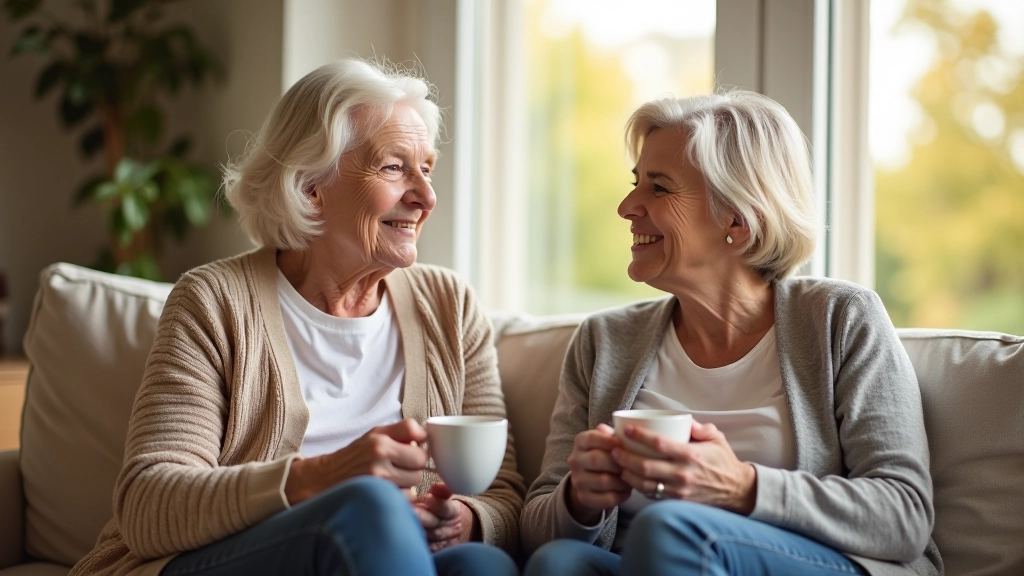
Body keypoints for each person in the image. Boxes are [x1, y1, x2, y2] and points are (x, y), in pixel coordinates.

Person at [71, 58, 524, 576]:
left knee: (481, 565)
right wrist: (322, 477)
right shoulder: (214, 301)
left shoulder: (448, 304)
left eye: (427, 167)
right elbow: (147, 506)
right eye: (395, 167)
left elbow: (505, 494)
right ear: (311, 187)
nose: (426, 197)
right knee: (370, 508)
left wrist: (463, 519)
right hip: (214, 562)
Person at [520, 91, 942, 576]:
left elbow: (904, 514)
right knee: (560, 560)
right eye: (636, 183)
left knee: (669, 530)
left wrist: (742, 486)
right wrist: (578, 500)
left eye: (658, 189)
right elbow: (535, 531)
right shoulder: (604, 340)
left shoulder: (840, 318)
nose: (626, 207)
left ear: (738, 222)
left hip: (809, 563)